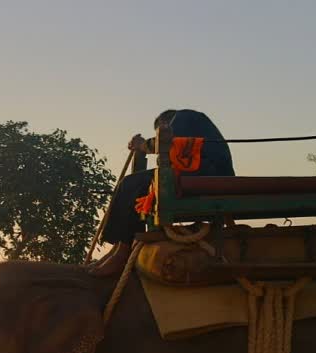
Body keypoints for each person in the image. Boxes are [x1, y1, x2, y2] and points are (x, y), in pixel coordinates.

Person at [88, 109, 234, 277]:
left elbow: (169, 142)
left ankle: (124, 249)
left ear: (165, 124)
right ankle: (119, 247)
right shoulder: (194, 126)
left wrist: (141, 144)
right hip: (199, 173)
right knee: (137, 184)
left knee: (131, 183)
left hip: (207, 174)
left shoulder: (185, 116)